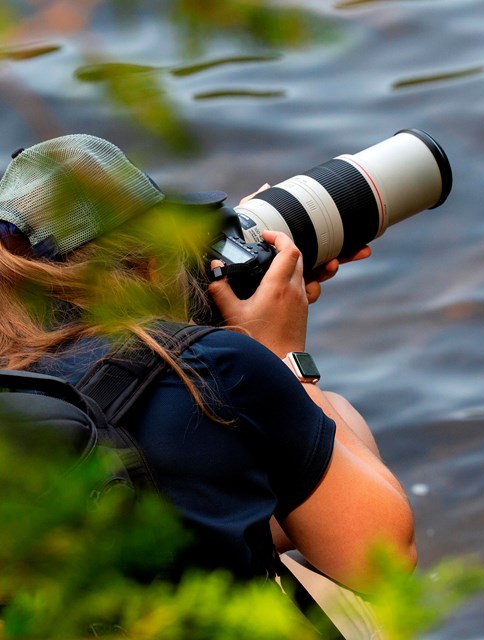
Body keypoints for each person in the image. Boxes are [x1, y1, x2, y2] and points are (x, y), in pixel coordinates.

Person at [0, 134, 416, 593]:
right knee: (338, 412)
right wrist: (281, 357)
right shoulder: (213, 369)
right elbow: (383, 564)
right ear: (149, 266)